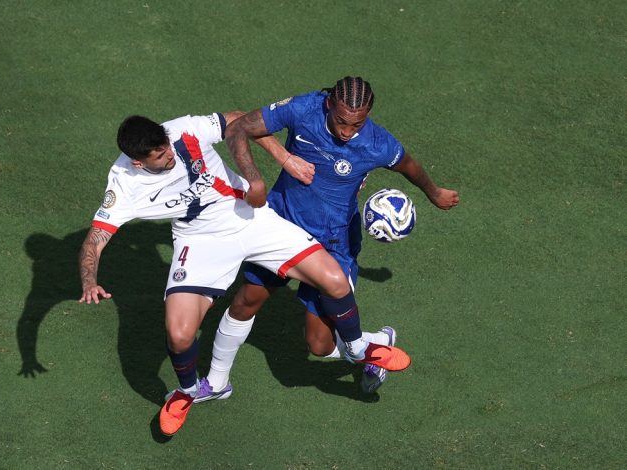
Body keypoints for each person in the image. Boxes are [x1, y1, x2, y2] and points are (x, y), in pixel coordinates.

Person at [78, 111, 410, 436]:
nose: (170, 155)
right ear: (138, 162)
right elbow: (96, 238)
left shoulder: (183, 131)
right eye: (161, 155)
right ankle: (189, 392)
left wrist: (282, 159)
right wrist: (90, 281)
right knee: (179, 335)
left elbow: (241, 119)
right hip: (200, 242)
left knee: (335, 281)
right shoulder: (124, 184)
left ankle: (357, 348)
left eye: (167, 146)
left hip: (251, 219)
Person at [193, 76, 459, 403]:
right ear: (330, 103)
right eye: (341, 121)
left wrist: (434, 193)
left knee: (319, 345)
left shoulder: (378, 144)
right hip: (281, 224)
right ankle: (216, 382)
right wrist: (265, 171)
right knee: (246, 300)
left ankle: (377, 342)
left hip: (333, 243)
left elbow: (410, 166)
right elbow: (238, 126)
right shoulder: (305, 108)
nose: (347, 132)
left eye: (356, 124)